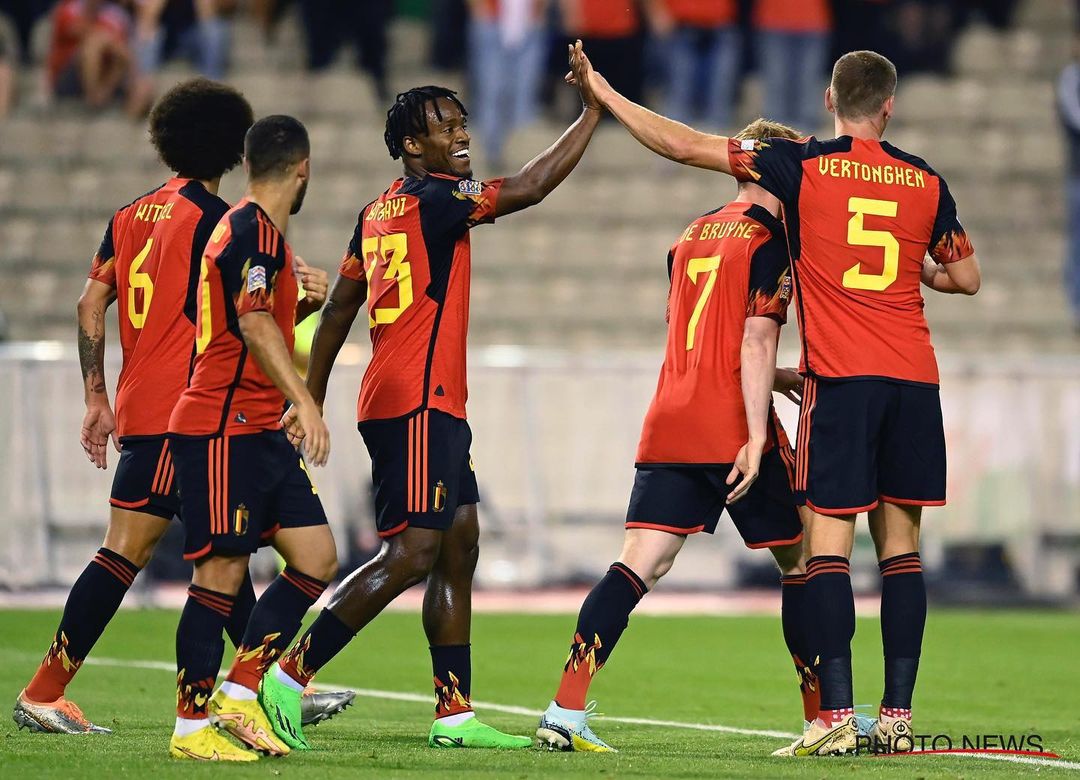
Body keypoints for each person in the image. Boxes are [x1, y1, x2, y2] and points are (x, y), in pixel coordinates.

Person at [567, 44, 981, 756]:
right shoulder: (925, 178)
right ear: (889, 107)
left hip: (841, 381)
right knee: (901, 552)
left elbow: (681, 144)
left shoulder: (802, 165)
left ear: (829, 100)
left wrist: (604, 93)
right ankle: (897, 719)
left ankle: (834, 719)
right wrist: (911, 271)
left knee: (826, 550)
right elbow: (966, 277)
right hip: (914, 379)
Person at [257, 56, 602, 752]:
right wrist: (594, 111)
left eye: (461, 122)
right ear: (412, 145)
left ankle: (453, 714)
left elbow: (340, 309)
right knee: (413, 552)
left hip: (414, 397)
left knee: (458, 543)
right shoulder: (442, 198)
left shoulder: (377, 211)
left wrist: (312, 397)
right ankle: (287, 675)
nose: (460, 134)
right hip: (417, 399)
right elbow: (530, 186)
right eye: (444, 127)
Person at [535, 118, 812, 752]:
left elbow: (707, 336)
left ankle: (565, 709)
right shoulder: (770, 241)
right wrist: (755, 434)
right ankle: (822, 718)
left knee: (638, 563)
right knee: (802, 562)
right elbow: (753, 339)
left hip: (671, 416)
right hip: (731, 423)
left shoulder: (689, 236)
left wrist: (777, 378)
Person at [13, 78, 255, 736]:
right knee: (150, 551)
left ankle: (272, 683)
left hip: (143, 406)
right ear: (232, 146)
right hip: (190, 411)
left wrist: (96, 396)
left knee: (215, 548)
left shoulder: (129, 216)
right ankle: (45, 691)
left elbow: (91, 302)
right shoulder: (217, 221)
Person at [165, 115, 339, 761]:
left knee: (317, 558)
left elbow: (235, 318)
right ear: (304, 170)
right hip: (221, 425)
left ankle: (239, 694)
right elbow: (252, 322)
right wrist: (306, 400)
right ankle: (190, 728)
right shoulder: (252, 232)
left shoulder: (257, 238)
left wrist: (303, 303)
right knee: (221, 573)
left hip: (259, 427)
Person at [467, 0, 548, 168]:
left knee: (523, 92)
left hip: (528, 24)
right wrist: (479, 9)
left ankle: (516, 149)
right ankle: (491, 151)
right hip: (492, 23)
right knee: (491, 91)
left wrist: (540, 11)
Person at [650, 0, 741, 130]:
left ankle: (716, 137)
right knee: (680, 90)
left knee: (721, 91)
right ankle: (675, 135)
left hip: (722, 22)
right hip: (681, 23)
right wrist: (657, 12)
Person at [753, 0, 831, 132]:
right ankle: (775, 126)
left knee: (807, 77)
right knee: (777, 77)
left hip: (811, 21)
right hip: (775, 21)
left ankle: (804, 123)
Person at [47, 0, 132, 109]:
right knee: (92, 46)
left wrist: (107, 41)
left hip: (105, 77)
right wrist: (105, 39)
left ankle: (102, 96)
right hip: (66, 77)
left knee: (120, 54)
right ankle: (92, 98)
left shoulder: (116, 16)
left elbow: (122, 50)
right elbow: (77, 30)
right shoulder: (68, 9)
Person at [1058, 36, 1080, 330]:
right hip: (1078, 175)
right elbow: (1074, 116)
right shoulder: (1070, 79)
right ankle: (1077, 306)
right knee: (1078, 241)